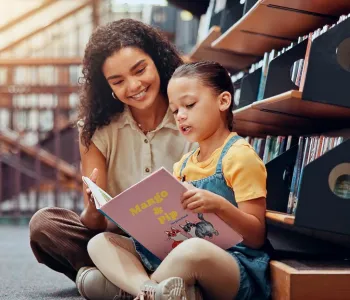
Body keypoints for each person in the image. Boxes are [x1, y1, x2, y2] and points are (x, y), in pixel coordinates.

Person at [28, 19, 195, 300]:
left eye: (140, 70)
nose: (134, 86)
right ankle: (155, 284)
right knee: (45, 225)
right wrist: (94, 209)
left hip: (181, 238)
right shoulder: (97, 130)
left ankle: (116, 285)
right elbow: (96, 224)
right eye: (118, 81)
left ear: (158, 61)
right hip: (117, 242)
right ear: (108, 87)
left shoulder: (189, 112)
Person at [87, 61, 271, 300]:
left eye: (190, 105)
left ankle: (129, 290)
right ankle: (153, 291)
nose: (181, 116)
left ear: (223, 101)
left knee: (193, 250)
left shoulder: (240, 156)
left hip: (231, 265)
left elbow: (256, 237)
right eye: (175, 110)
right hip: (175, 257)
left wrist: (219, 206)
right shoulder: (183, 165)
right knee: (99, 242)